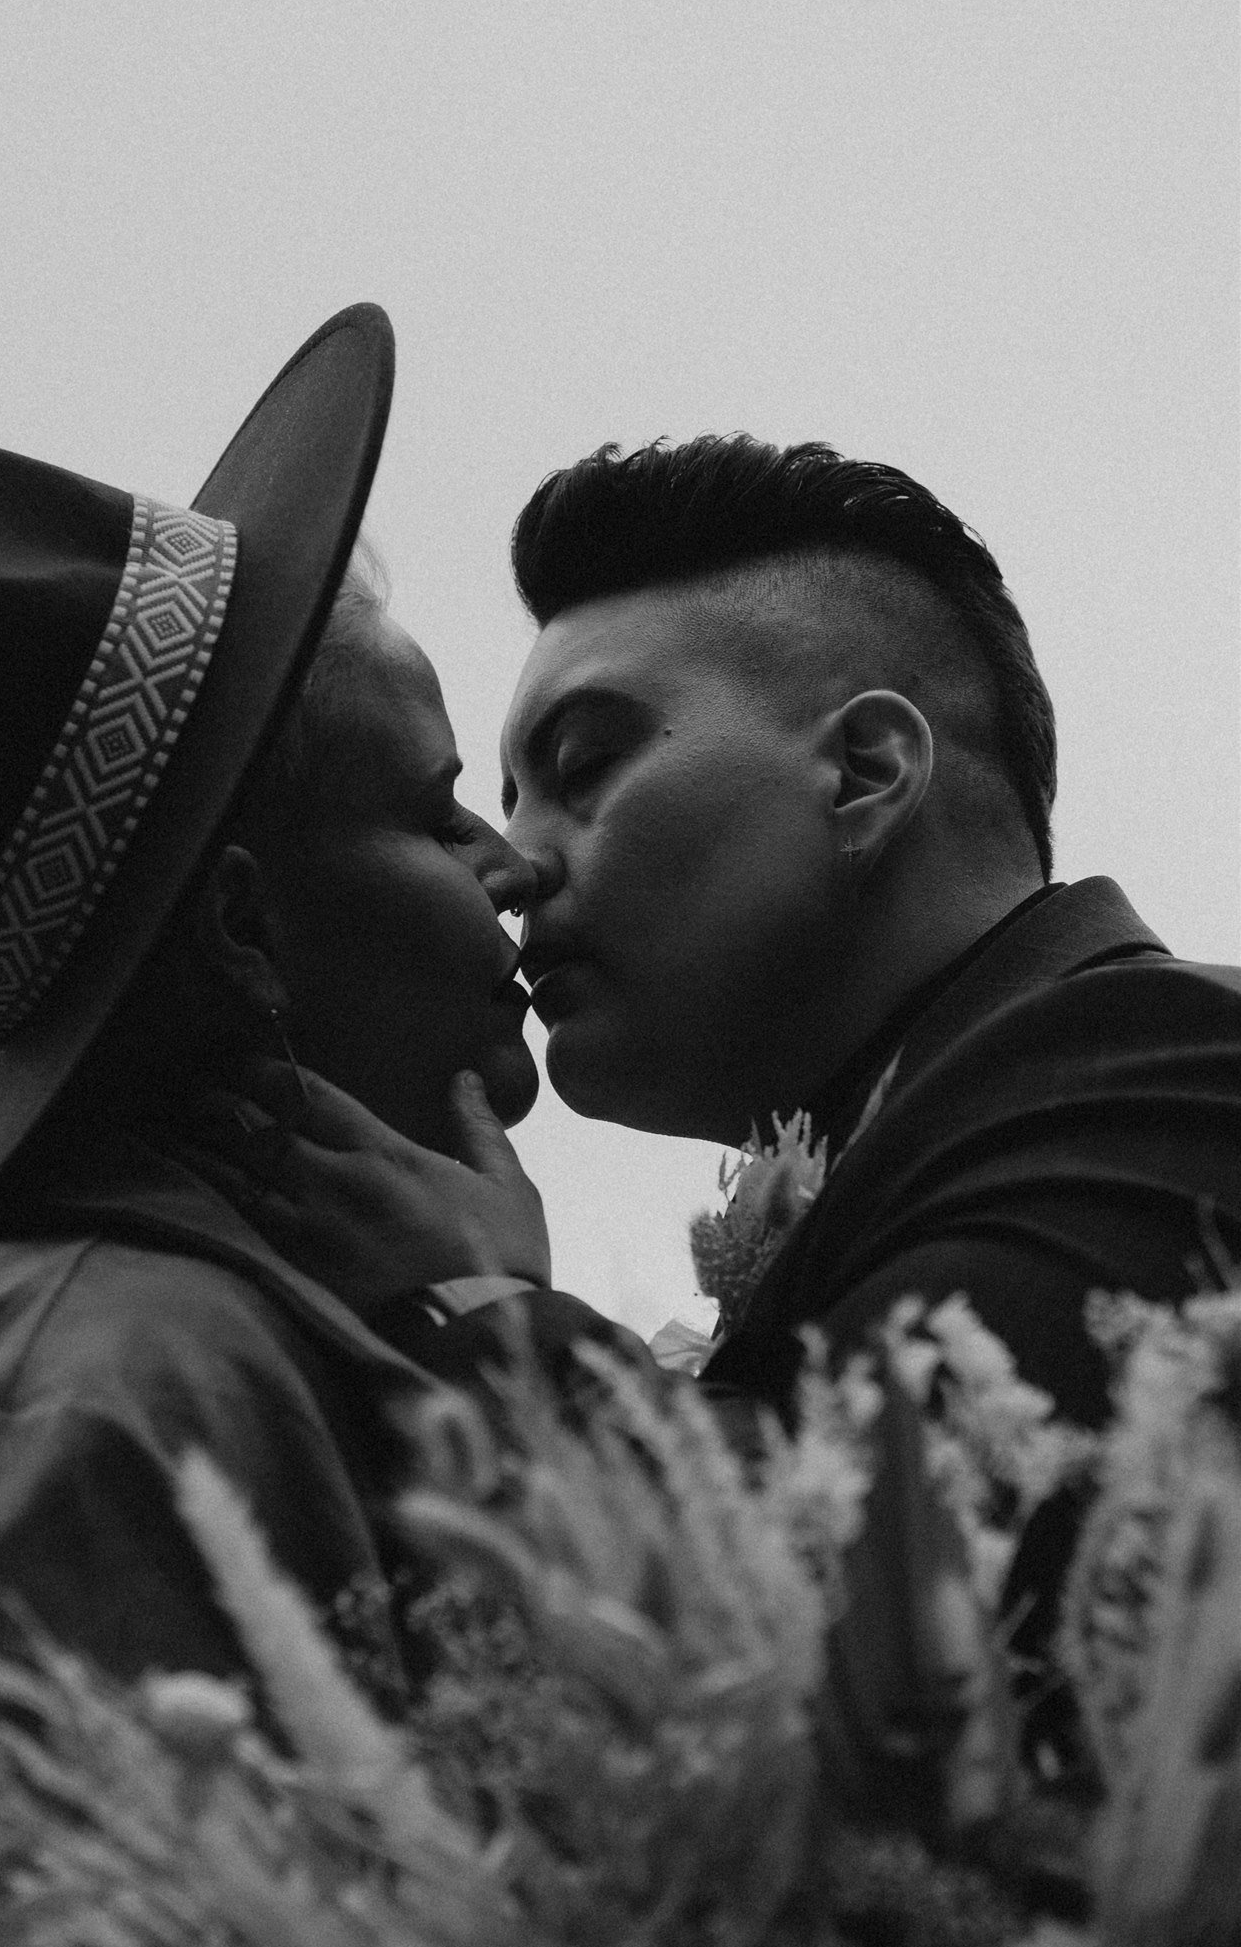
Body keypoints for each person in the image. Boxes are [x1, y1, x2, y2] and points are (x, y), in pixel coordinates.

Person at [0, 304, 616, 1947]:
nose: (511, 868)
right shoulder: (94, 1385)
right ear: (243, 920)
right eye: (441, 807)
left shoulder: (239, 1337)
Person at [245, 434, 1241, 1776]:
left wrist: (481, 1312)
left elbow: (869, 1630)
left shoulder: (1171, 1062)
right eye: (500, 800)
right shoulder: (954, 1130)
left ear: (869, 771)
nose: (516, 865)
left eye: (587, 762)